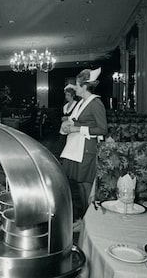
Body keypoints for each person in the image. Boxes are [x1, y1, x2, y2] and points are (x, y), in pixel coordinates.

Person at [60, 68, 107, 229]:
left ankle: (90, 224)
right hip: (78, 148)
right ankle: (84, 219)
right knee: (80, 184)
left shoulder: (96, 103)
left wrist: (77, 129)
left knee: (86, 186)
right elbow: (80, 121)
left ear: (85, 87)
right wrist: (70, 124)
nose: (75, 88)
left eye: (78, 86)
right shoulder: (82, 102)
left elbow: (102, 129)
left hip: (87, 149)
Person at [58, 85, 79, 153]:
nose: (66, 96)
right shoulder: (65, 105)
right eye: (66, 95)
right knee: (62, 145)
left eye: (68, 95)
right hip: (63, 129)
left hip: (72, 128)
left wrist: (68, 118)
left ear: (72, 95)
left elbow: (77, 116)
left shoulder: (76, 105)